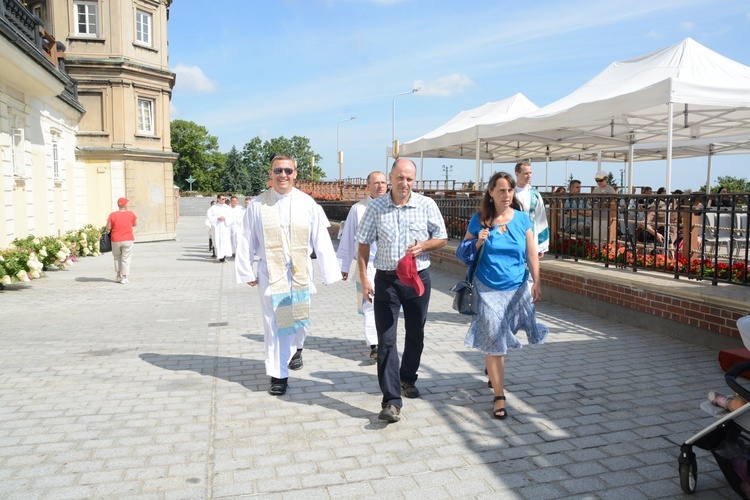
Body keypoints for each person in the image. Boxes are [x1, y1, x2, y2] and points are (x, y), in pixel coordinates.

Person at [235, 154, 340, 396]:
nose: (283, 175)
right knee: (275, 324)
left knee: (298, 320)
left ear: (295, 174)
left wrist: (329, 271)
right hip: (271, 273)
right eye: (278, 170)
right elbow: (246, 238)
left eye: (288, 171)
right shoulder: (258, 205)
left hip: (301, 271)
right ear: (270, 174)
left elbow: (321, 239)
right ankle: (278, 374)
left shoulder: (308, 203)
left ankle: (295, 350)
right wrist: (245, 270)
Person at [356, 158, 448, 423]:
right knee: (386, 340)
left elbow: (441, 236)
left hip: (417, 280)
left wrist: (424, 246)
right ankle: (391, 401)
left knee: (416, 334)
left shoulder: (426, 205)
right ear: (391, 177)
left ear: (414, 181)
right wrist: (364, 279)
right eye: (399, 178)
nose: (404, 183)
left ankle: (408, 378)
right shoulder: (375, 207)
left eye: (409, 179)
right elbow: (362, 246)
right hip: (386, 282)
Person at [458, 172, 548, 420]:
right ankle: (499, 396)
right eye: (501, 190)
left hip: (516, 288)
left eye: (509, 190)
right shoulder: (480, 220)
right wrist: (477, 242)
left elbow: (531, 254)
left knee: (501, 334)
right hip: (487, 287)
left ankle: (491, 367)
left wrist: (537, 281)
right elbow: (461, 252)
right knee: (496, 340)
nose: (506, 195)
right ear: (491, 193)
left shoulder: (521, 220)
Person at [336, 171, 388, 360]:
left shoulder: (394, 206)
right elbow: (348, 237)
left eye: (383, 182)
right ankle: (374, 344)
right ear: (368, 186)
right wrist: (342, 266)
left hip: (390, 265)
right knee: (370, 303)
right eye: (376, 183)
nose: (380, 186)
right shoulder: (358, 209)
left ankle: (386, 340)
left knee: (388, 305)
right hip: (368, 264)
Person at [513, 160, 549, 256]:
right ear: (517, 174)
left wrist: (541, 246)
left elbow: (541, 217)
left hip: (531, 236)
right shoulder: (510, 193)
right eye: (525, 173)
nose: (529, 176)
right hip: (513, 235)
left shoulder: (535, 194)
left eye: (530, 173)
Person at [106, 197, 137, 284]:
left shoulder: (113, 215)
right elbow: (135, 224)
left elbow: (108, 227)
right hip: (128, 239)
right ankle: (124, 277)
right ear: (125, 205)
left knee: (117, 258)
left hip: (116, 239)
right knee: (126, 258)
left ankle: (118, 276)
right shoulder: (131, 214)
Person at [206, 194, 233, 262]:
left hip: (224, 227)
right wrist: (217, 218)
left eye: (224, 199)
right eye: (222, 199)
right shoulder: (213, 208)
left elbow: (231, 217)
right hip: (217, 227)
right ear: (218, 199)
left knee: (224, 241)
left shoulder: (227, 208)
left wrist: (225, 218)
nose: (223, 200)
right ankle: (219, 254)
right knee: (217, 242)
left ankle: (223, 256)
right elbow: (209, 217)